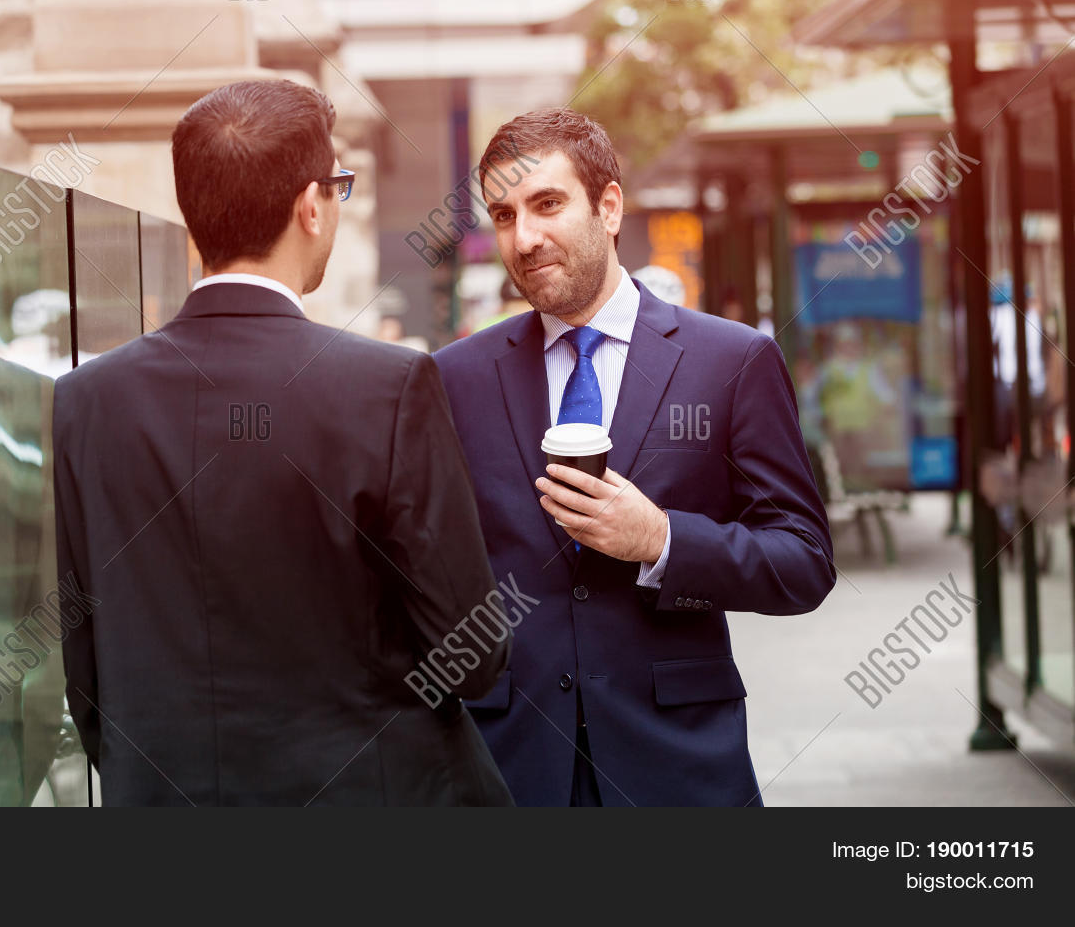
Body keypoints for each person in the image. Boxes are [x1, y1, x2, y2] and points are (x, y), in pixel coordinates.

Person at [52, 79, 513, 806]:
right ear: (311, 204)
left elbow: (85, 667)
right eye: (340, 187)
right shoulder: (388, 387)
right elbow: (472, 656)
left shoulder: (85, 400)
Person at [433, 107, 835, 807]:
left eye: (547, 204)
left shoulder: (732, 362)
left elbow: (803, 562)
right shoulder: (452, 379)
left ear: (609, 206)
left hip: (677, 768)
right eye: (502, 215)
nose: (523, 238)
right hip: (510, 769)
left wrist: (661, 540)